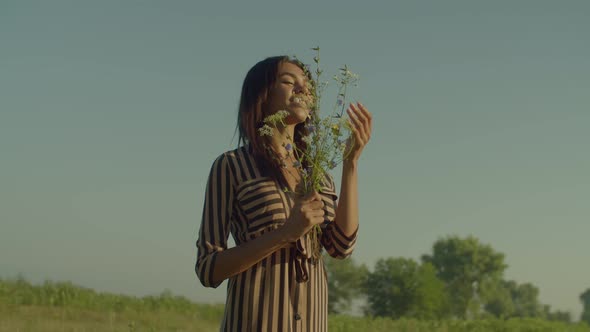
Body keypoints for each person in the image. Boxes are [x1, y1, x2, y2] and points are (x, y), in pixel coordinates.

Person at [195, 55, 372, 331]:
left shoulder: (317, 174)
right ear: (262, 95)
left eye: (307, 86)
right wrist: (284, 234)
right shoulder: (232, 166)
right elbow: (208, 267)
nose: (302, 89)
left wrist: (351, 163)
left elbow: (341, 246)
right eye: (289, 82)